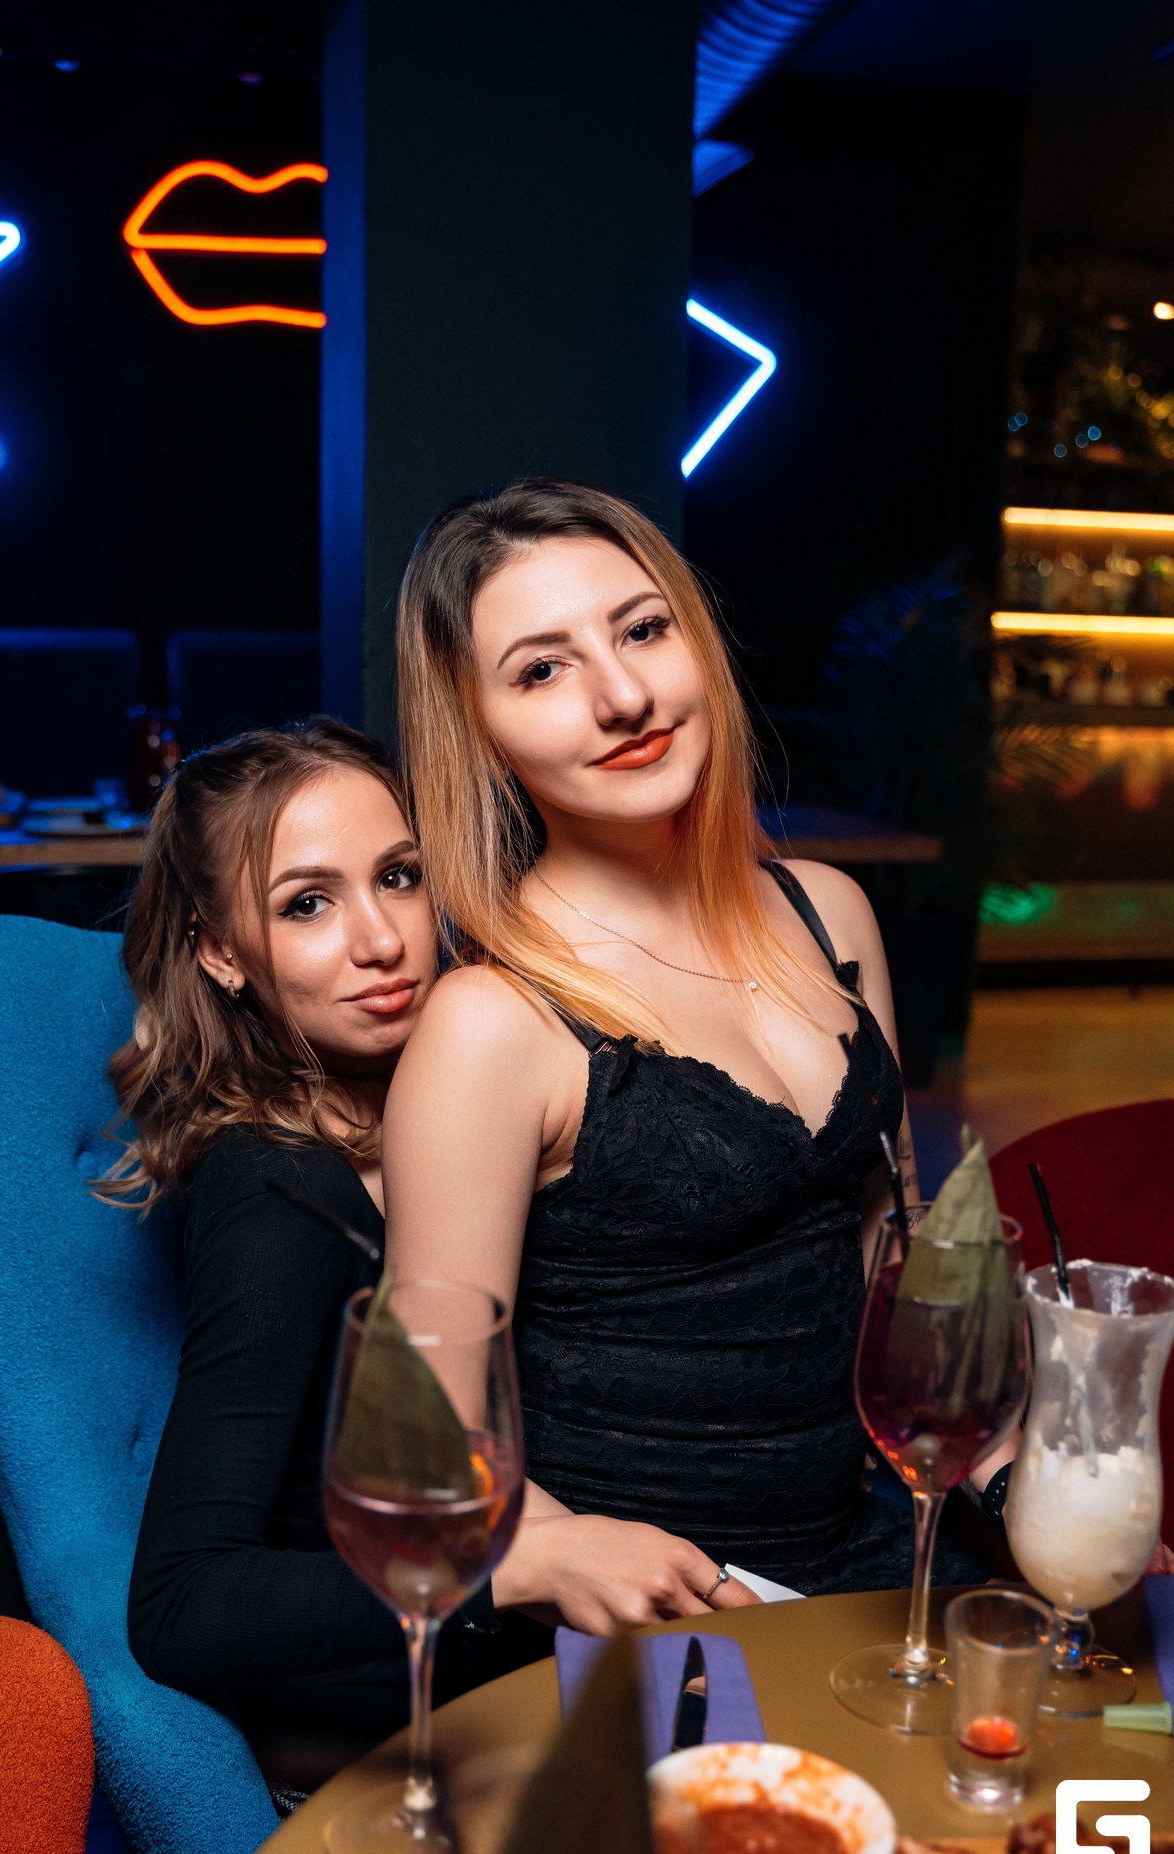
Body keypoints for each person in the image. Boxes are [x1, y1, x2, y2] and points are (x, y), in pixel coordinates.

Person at [384, 478, 1008, 1631]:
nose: (622, 696)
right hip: (649, 1615)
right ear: (478, 730)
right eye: (541, 670)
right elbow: (426, 1436)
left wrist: (1019, 1469)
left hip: (869, 1555)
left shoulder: (828, 912)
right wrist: (557, 1553)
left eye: (640, 630)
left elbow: (900, 1269)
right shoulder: (491, 1023)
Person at [100, 720, 550, 1805]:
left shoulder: (474, 1109)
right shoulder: (278, 1193)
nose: (381, 940)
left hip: (521, 1681)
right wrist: (514, 1569)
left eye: (398, 877)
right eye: (307, 904)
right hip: (379, 1754)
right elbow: (182, 1604)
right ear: (220, 951)